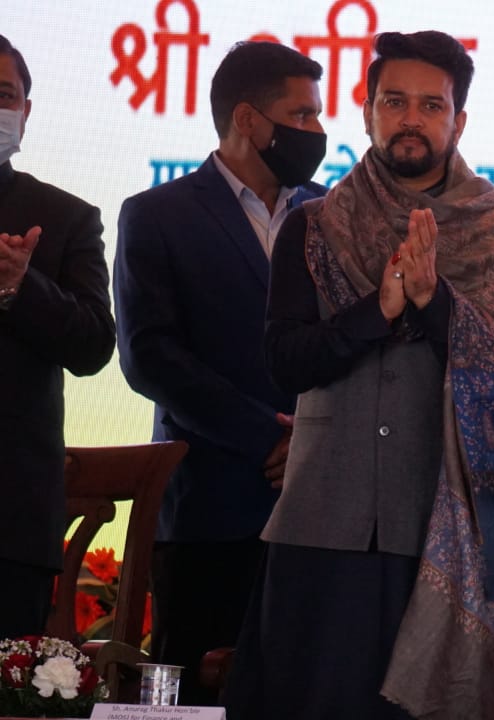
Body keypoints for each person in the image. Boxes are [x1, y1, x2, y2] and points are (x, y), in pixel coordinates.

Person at [225, 31, 494, 720]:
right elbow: (285, 359)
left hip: (442, 529)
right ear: (368, 111)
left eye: (430, 105)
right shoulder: (314, 226)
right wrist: (379, 308)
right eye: (394, 101)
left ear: (457, 121)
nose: (412, 118)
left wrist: (438, 304)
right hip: (323, 522)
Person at [113, 42, 326, 703]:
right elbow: (151, 356)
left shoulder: (335, 214)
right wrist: (268, 436)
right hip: (209, 508)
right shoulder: (157, 214)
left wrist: (313, 443)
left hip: (321, 507)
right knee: (197, 701)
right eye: (303, 114)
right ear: (248, 120)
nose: (317, 131)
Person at [0, 33, 115, 640]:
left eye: (4, 95)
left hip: (9, 519)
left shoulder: (64, 216)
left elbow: (96, 346)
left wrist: (22, 287)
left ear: (26, 110)